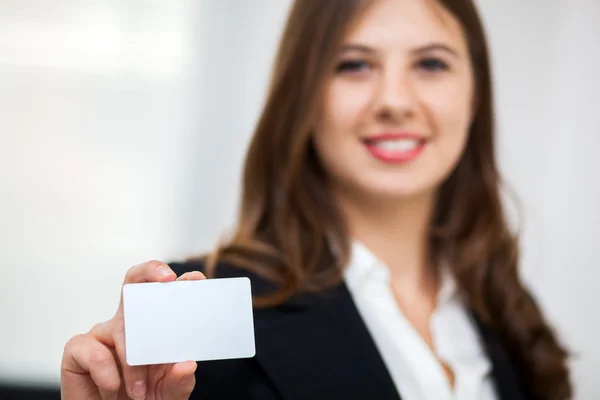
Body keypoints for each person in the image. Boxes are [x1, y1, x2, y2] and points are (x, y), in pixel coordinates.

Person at [61, 0, 572, 399]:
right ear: (304, 95)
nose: (394, 101)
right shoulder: (195, 311)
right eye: (354, 65)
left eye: (431, 64)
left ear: (474, 96)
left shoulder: (507, 314)